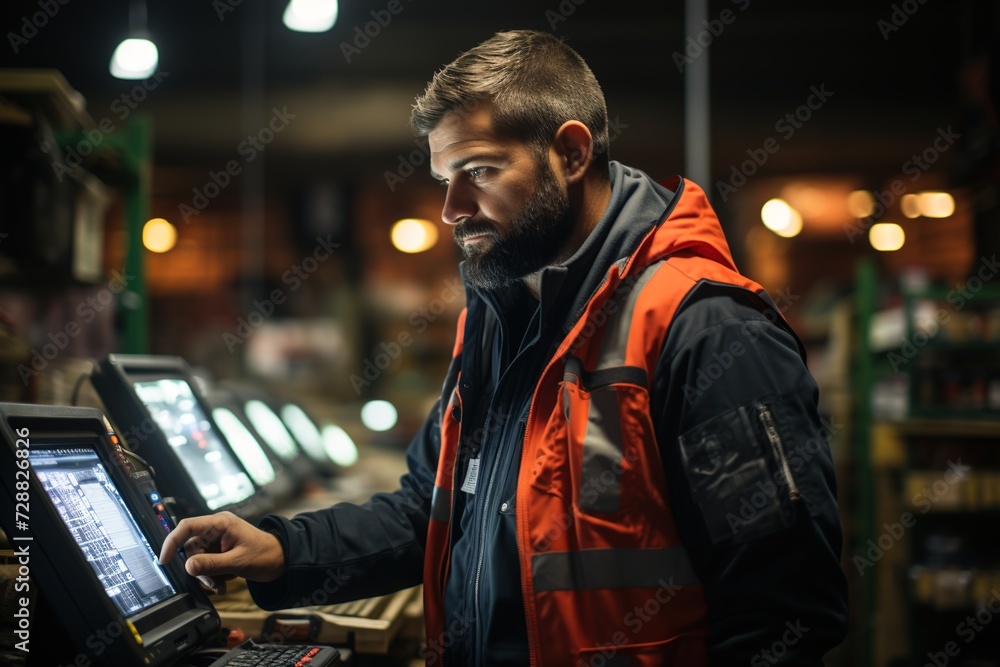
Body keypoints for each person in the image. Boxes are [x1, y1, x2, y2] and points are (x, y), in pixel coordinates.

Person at [160, 29, 848, 666]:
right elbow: (426, 515)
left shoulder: (706, 330)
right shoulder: (498, 321)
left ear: (572, 153)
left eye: (480, 171)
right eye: (443, 179)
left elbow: (786, 616)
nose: (450, 207)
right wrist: (282, 548)